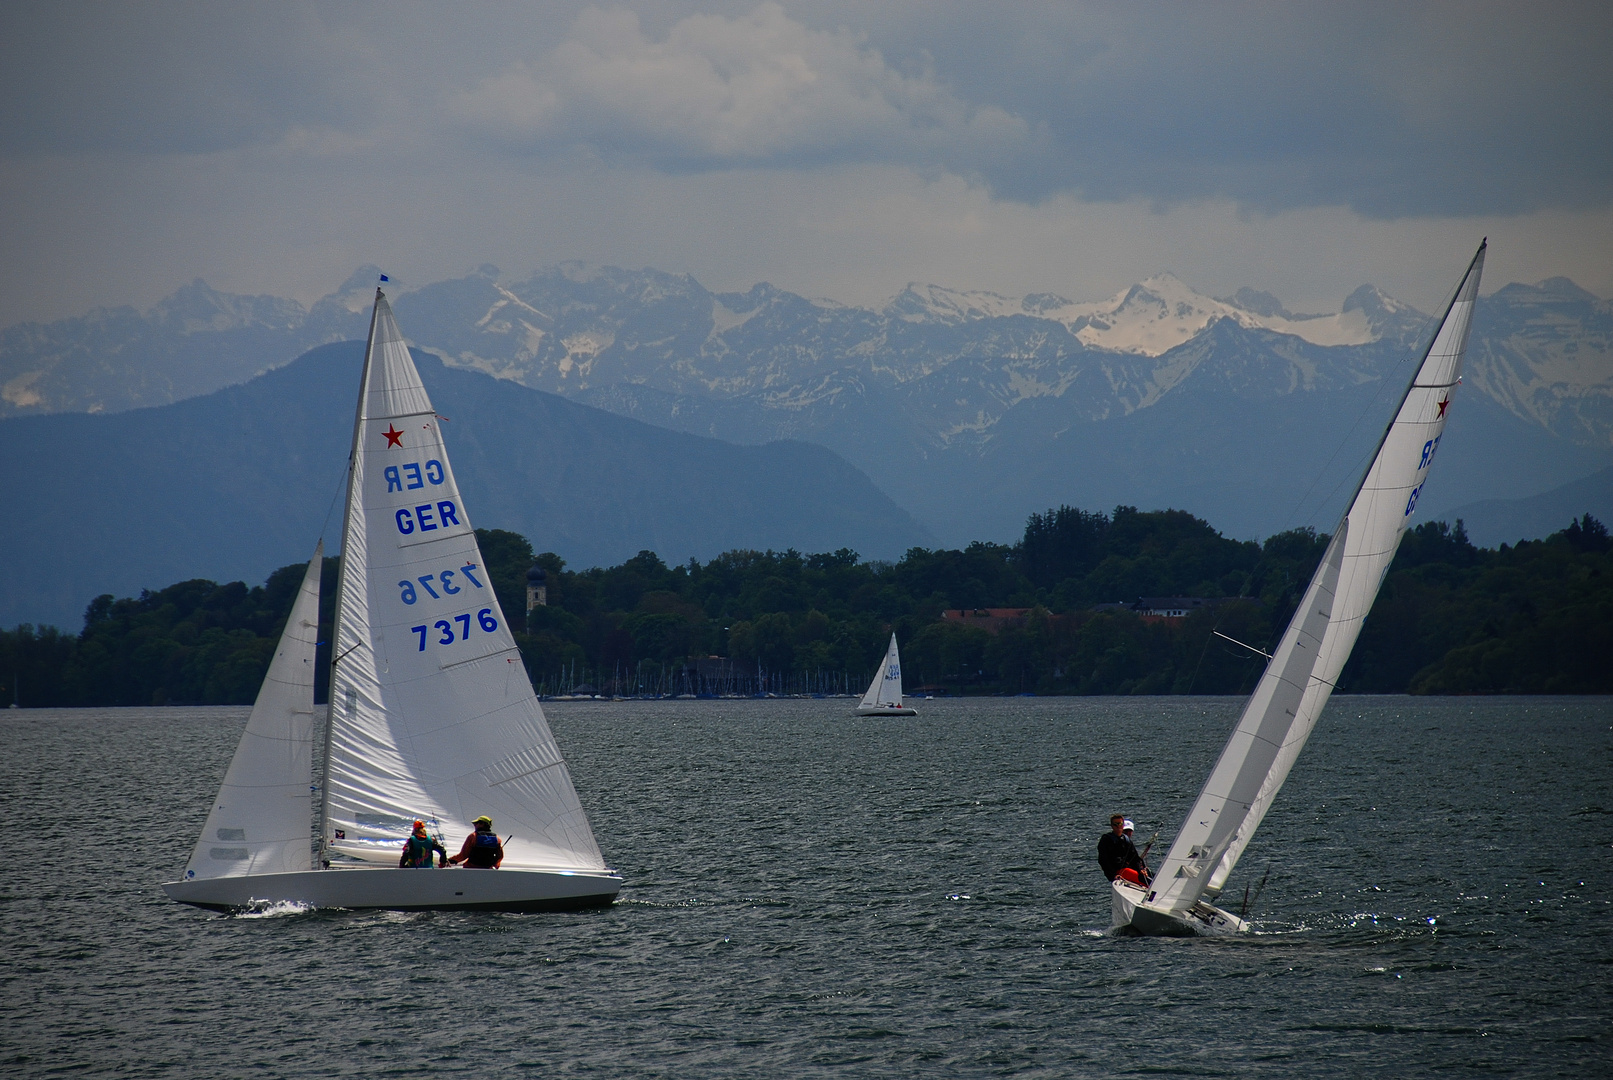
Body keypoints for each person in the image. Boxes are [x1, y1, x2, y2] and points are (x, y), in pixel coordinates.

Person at [1097, 813, 1150, 885]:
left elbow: (1134, 857)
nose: (1118, 826)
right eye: (1115, 824)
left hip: (1129, 868)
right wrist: (1112, 876)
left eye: (1120, 824)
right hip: (1119, 871)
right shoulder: (1106, 839)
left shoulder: (1126, 839)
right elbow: (1103, 860)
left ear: (1123, 825)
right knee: (1145, 880)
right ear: (1112, 826)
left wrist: (1140, 869)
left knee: (1153, 876)